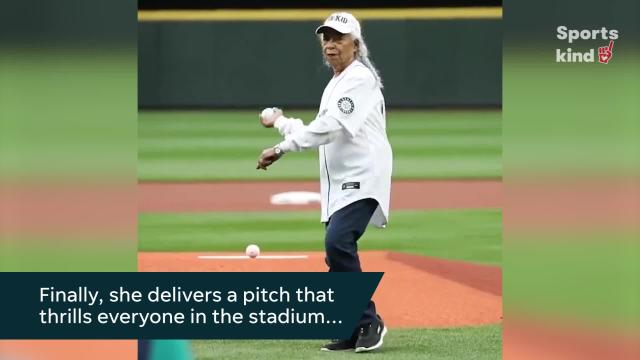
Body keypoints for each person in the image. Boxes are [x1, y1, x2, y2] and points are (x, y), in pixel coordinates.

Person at [256, 12, 392, 353]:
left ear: (356, 45)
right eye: (326, 38)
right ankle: (351, 328)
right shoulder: (336, 83)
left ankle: (369, 320)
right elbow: (317, 128)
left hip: (362, 176)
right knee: (336, 253)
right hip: (341, 182)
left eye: (339, 38)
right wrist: (281, 123)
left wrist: (281, 147)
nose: (331, 44)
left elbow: (331, 127)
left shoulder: (359, 79)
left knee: (338, 242)